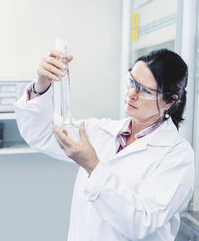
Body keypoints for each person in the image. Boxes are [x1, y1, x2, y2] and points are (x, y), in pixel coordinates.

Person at [15, 48, 195, 241]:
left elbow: (142, 223)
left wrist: (93, 166)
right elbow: (41, 134)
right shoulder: (100, 131)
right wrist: (41, 84)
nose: (131, 94)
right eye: (132, 82)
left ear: (170, 101)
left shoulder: (177, 156)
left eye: (145, 91)